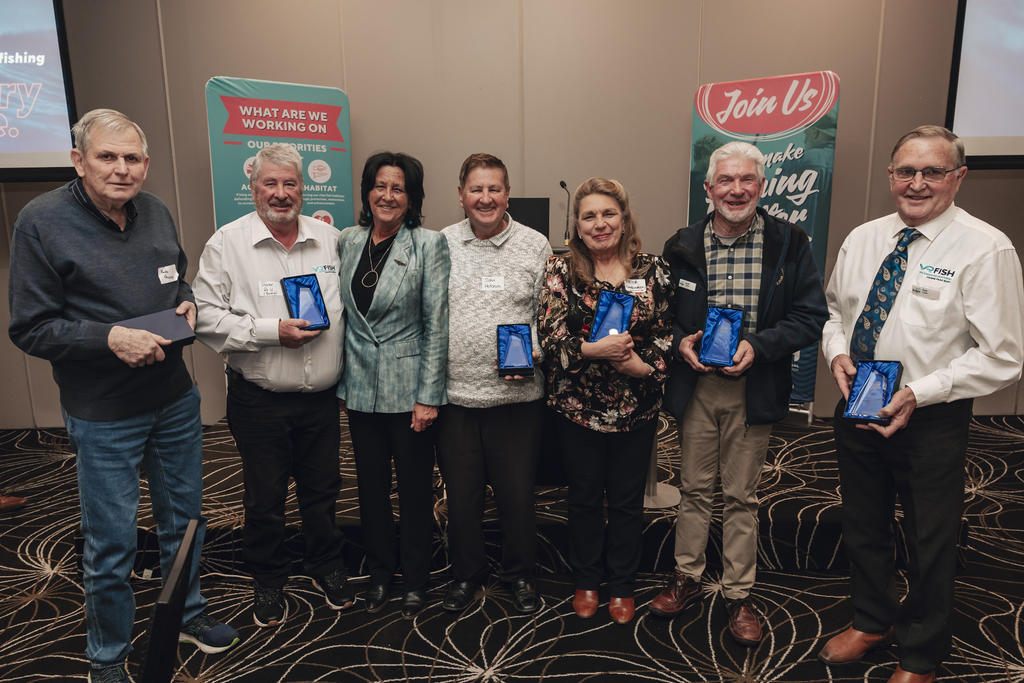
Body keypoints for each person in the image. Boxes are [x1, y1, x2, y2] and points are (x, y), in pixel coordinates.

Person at [7, 109, 238, 682]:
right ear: (78, 160)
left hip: (174, 399)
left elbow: (176, 275)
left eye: (132, 158)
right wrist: (108, 337)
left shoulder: (154, 211)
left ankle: (187, 614)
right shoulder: (40, 221)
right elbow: (30, 327)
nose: (121, 168)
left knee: (184, 523)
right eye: (107, 157)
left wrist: (185, 301)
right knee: (109, 544)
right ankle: (107, 656)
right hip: (105, 412)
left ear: (146, 164)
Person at [818, 125, 1024, 683]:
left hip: (930, 415)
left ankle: (922, 651)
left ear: (958, 177)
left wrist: (920, 392)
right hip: (860, 400)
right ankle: (872, 619)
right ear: (890, 176)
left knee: (932, 535)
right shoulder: (863, 238)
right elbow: (835, 311)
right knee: (863, 522)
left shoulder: (986, 247)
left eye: (932, 171)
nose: (917, 183)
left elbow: (1003, 355)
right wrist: (837, 351)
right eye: (906, 171)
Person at [652, 141, 827, 646]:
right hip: (697, 389)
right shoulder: (681, 243)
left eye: (746, 180)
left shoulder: (790, 243)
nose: (736, 190)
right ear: (708, 189)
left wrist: (760, 344)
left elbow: (810, 316)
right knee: (693, 488)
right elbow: (663, 313)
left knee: (742, 496)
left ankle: (738, 593)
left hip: (755, 388)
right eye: (725, 181)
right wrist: (679, 338)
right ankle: (686, 576)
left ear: (762, 185)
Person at [193, 143, 353, 627]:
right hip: (259, 399)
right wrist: (269, 332)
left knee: (323, 489)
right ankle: (268, 575)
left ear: (303, 189)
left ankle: (325, 563)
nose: (281, 194)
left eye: (290, 184)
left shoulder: (332, 240)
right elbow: (203, 317)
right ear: (253, 187)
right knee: (265, 497)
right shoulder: (227, 244)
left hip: (322, 400)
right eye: (271, 184)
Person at [537, 177, 672, 625]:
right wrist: (590, 351)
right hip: (577, 410)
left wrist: (644, 367)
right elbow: (550, 339)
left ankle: (623, 585)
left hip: (637, 409)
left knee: (629, 501)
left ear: (624, 218)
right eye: (589, 216)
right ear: (576, 225)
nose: (600, 224)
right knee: (584, 498)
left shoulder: (653, 270)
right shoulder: (561, 271)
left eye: (608, 213)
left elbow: (671, 335)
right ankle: (586, 581)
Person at [437, 153, 551, 614]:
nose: (486, 198)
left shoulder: (535, 245)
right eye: (476, 189)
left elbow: (551, 314)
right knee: (461, 499)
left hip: (517, 398)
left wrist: (537, 349)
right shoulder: (439, 244)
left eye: (495, 189)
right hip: (456, 397)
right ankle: (467, 574)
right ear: (461, 194)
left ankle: (519, 575)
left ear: (507, 194)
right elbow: (429, 315)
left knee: (517, 494)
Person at [337, 151, 449, 618]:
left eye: (398, 188)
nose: (387, 195)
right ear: (367, 191)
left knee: (416, 491)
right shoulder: (347, 240)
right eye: (380, 186)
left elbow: (436, 326)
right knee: (371, 489)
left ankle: (417, 579)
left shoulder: (427, 244)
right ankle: (381, 572)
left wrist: (428, 396)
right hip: (360, 390)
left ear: (412, 198)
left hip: (410, 395)